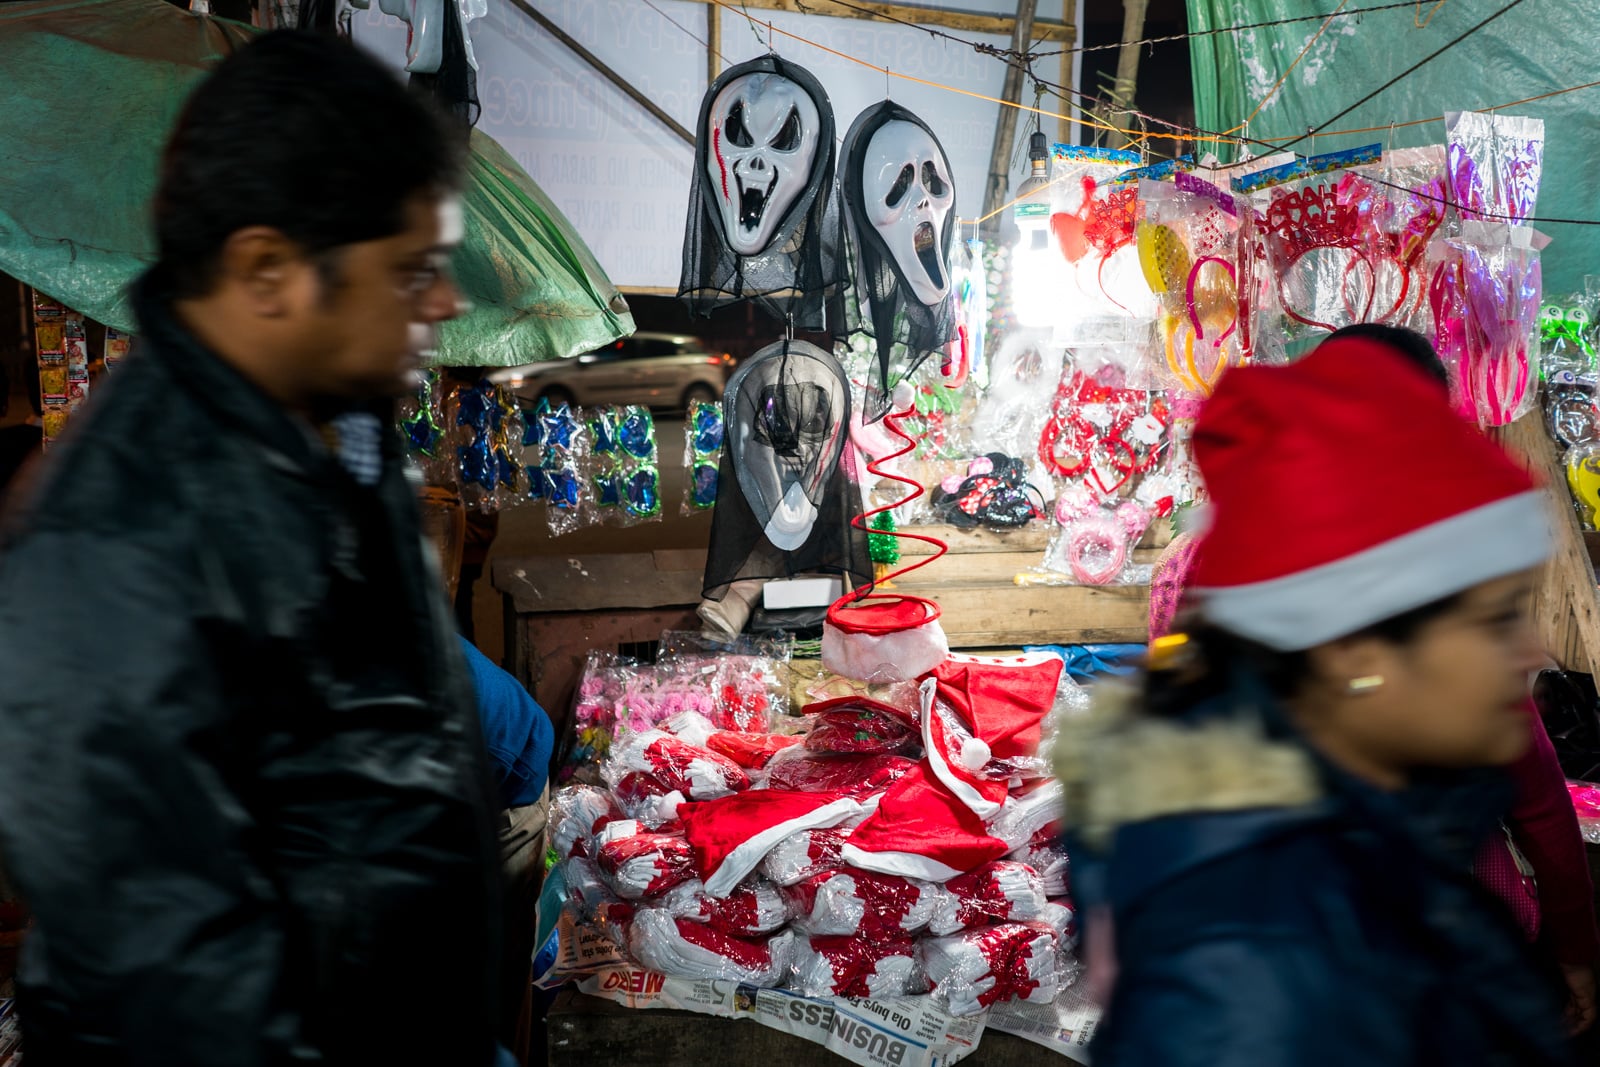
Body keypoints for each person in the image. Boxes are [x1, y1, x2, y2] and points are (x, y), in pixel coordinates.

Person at [0, 32, 511, 1066]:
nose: (446, 301)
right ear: (268, 269)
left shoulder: (342, 437)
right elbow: (173, 982)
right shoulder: (116, 538)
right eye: (411, 268)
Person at [1060, 335, 1573, 1065]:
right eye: (1494, 620)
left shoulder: (1375, 854)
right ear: (1355, 652)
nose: (1534, 654)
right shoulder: (1262, 983)